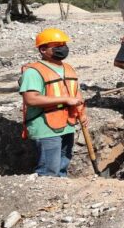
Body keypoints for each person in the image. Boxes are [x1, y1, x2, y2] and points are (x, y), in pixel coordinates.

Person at [18, 28, 88, 177]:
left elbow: (76, 92)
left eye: (64, 45)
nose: (63, 49)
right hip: (46, 127)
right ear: (43, 49)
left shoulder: (68, 68)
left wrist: (81, 113)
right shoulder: (33, 71)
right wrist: (65, 100)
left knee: (63, 165)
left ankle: (61, 194)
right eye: (57, 46)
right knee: (49, 169)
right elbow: (31, 99)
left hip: (67, 124)